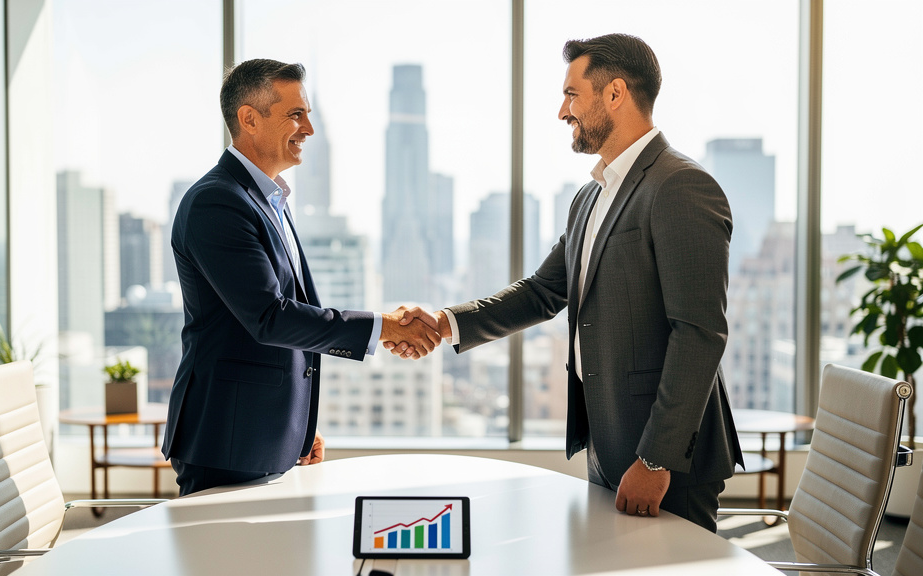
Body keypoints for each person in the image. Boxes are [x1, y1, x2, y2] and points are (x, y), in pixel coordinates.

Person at [395, 34, 743, 532]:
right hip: (607, 435)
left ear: (615, 93)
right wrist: (446, 322)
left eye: (572, 94)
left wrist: (656, 459)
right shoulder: (590, 196)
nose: (562, 111)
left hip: (663, 454)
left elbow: (699, 333)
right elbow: (543, 292)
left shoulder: (680, 186)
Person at [162, 58, 440, 496]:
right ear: (249, 119)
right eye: (296, 114)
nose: (309, 129)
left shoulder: (270, 199)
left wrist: (296, 426)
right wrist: (383, 326)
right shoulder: (217, 202)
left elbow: (298, 314)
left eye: (307, 114)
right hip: (227, 441)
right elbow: (270, 318)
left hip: (264, 435)